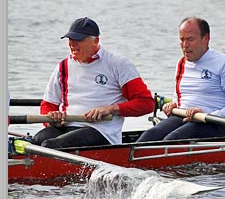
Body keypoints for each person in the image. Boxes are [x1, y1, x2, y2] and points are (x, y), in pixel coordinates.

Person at [33, 17, 155, 148]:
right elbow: (48, 104)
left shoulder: (117, 63)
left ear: (95, 41)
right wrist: (52, 118)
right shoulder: (63, 66)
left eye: (78, 39)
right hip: (67, 126)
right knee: (35, 141)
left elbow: (147, 103)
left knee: (50, 145)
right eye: (70, 39)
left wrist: (111, 108)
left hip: (102, 131)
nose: (72, 44)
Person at [137, 17, 225, 141]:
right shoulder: (181, 63)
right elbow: (182, 97)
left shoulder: (224, 64)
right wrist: (173, 106)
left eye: (190, 39)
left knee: (171, 140)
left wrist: (207, 116)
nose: (185, 45)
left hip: (215, 123)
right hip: (184, 117)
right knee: (150, 135)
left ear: (205, 39)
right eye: (182, 39)